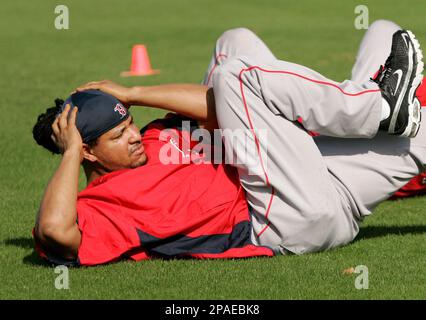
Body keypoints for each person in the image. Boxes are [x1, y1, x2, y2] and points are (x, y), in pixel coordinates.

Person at [32, 20, 424, 265]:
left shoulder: (154, 138)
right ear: (86, 151)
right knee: (238, 74)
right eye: (119, 135)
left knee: (383, 33)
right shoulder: (101, 207)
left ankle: (375, 109)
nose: (135, 136)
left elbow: (214, 106)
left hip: (314, 178)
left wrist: (134, 92)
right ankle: (376, 109)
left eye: (131, 124)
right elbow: (55, 231)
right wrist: (68, 151)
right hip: (282, 219)